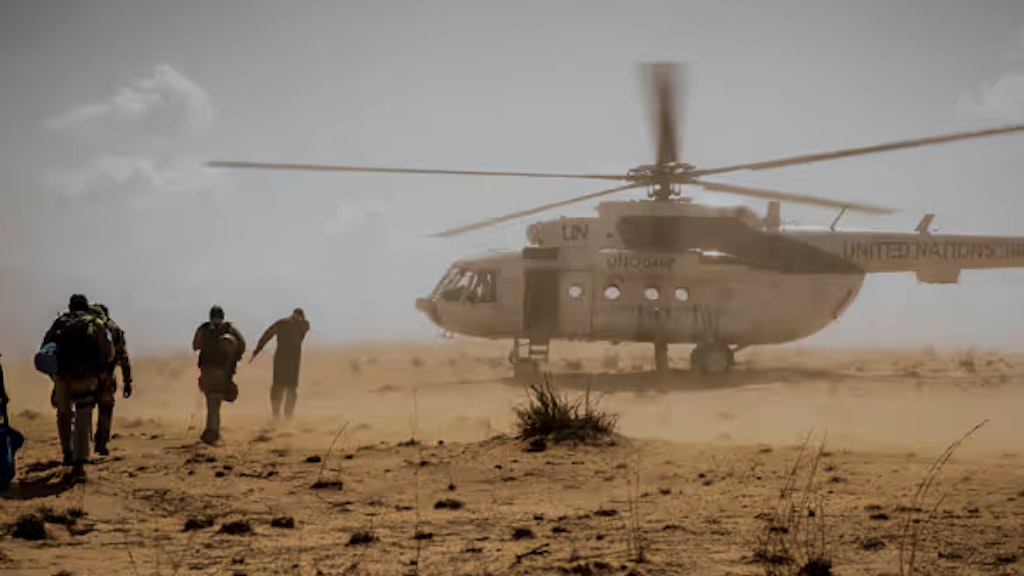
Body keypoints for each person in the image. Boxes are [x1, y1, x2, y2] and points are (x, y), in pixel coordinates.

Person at [39, 294, 114, 481]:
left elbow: (45, 348)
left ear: (70, 306)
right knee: (83, 414)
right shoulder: (96, 323)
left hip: (62, 376)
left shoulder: (60, 322)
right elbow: (108, 351)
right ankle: (79, 463)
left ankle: (67, 451)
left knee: (64, 413)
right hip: (85, 376)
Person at [192, 305, 245, 445]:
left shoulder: (205, 329)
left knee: (213, 402)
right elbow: (241, 346)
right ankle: (213, 430)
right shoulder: (229, 329)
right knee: (215, 402)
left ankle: (212, 430)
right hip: (218, 371)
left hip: (214, 371)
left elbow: (195, 345)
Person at [250, 308, 310, 421]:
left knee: (280, 386)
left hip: (282, 358)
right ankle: (286, 416)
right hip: (293, 359)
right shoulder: (303, 324)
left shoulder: (283, 322)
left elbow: (267, 335)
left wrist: (258, 349)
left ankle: (277, 415)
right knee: (289, 387)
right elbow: (304, 328)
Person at [90, 303, 133, 456]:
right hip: (106, 377)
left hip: (83, 376)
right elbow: (123, 358)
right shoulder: (114, 329)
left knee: (83, 407)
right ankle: (101, 443)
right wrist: (127, 381)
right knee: (105, 409)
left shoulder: (87, 327)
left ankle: (80, 443)